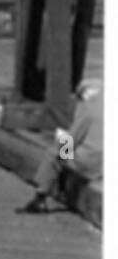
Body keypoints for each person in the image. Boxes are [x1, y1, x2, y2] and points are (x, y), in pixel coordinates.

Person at [19, 79, 101, 213]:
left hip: (91, 164)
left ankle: (40, 196)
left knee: (59, 147)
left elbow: (70, 141)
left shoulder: (90, 107)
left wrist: (59, 155)